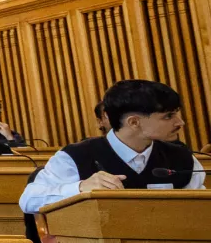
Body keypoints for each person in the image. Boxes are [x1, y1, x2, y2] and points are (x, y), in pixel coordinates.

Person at [19, 79, 204, 214]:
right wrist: (80, 187)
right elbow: (29, 200)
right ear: (134, 122)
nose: (181, 122)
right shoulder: (76, 156)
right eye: (168, 116)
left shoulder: (183, 158)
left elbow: (200, 209)